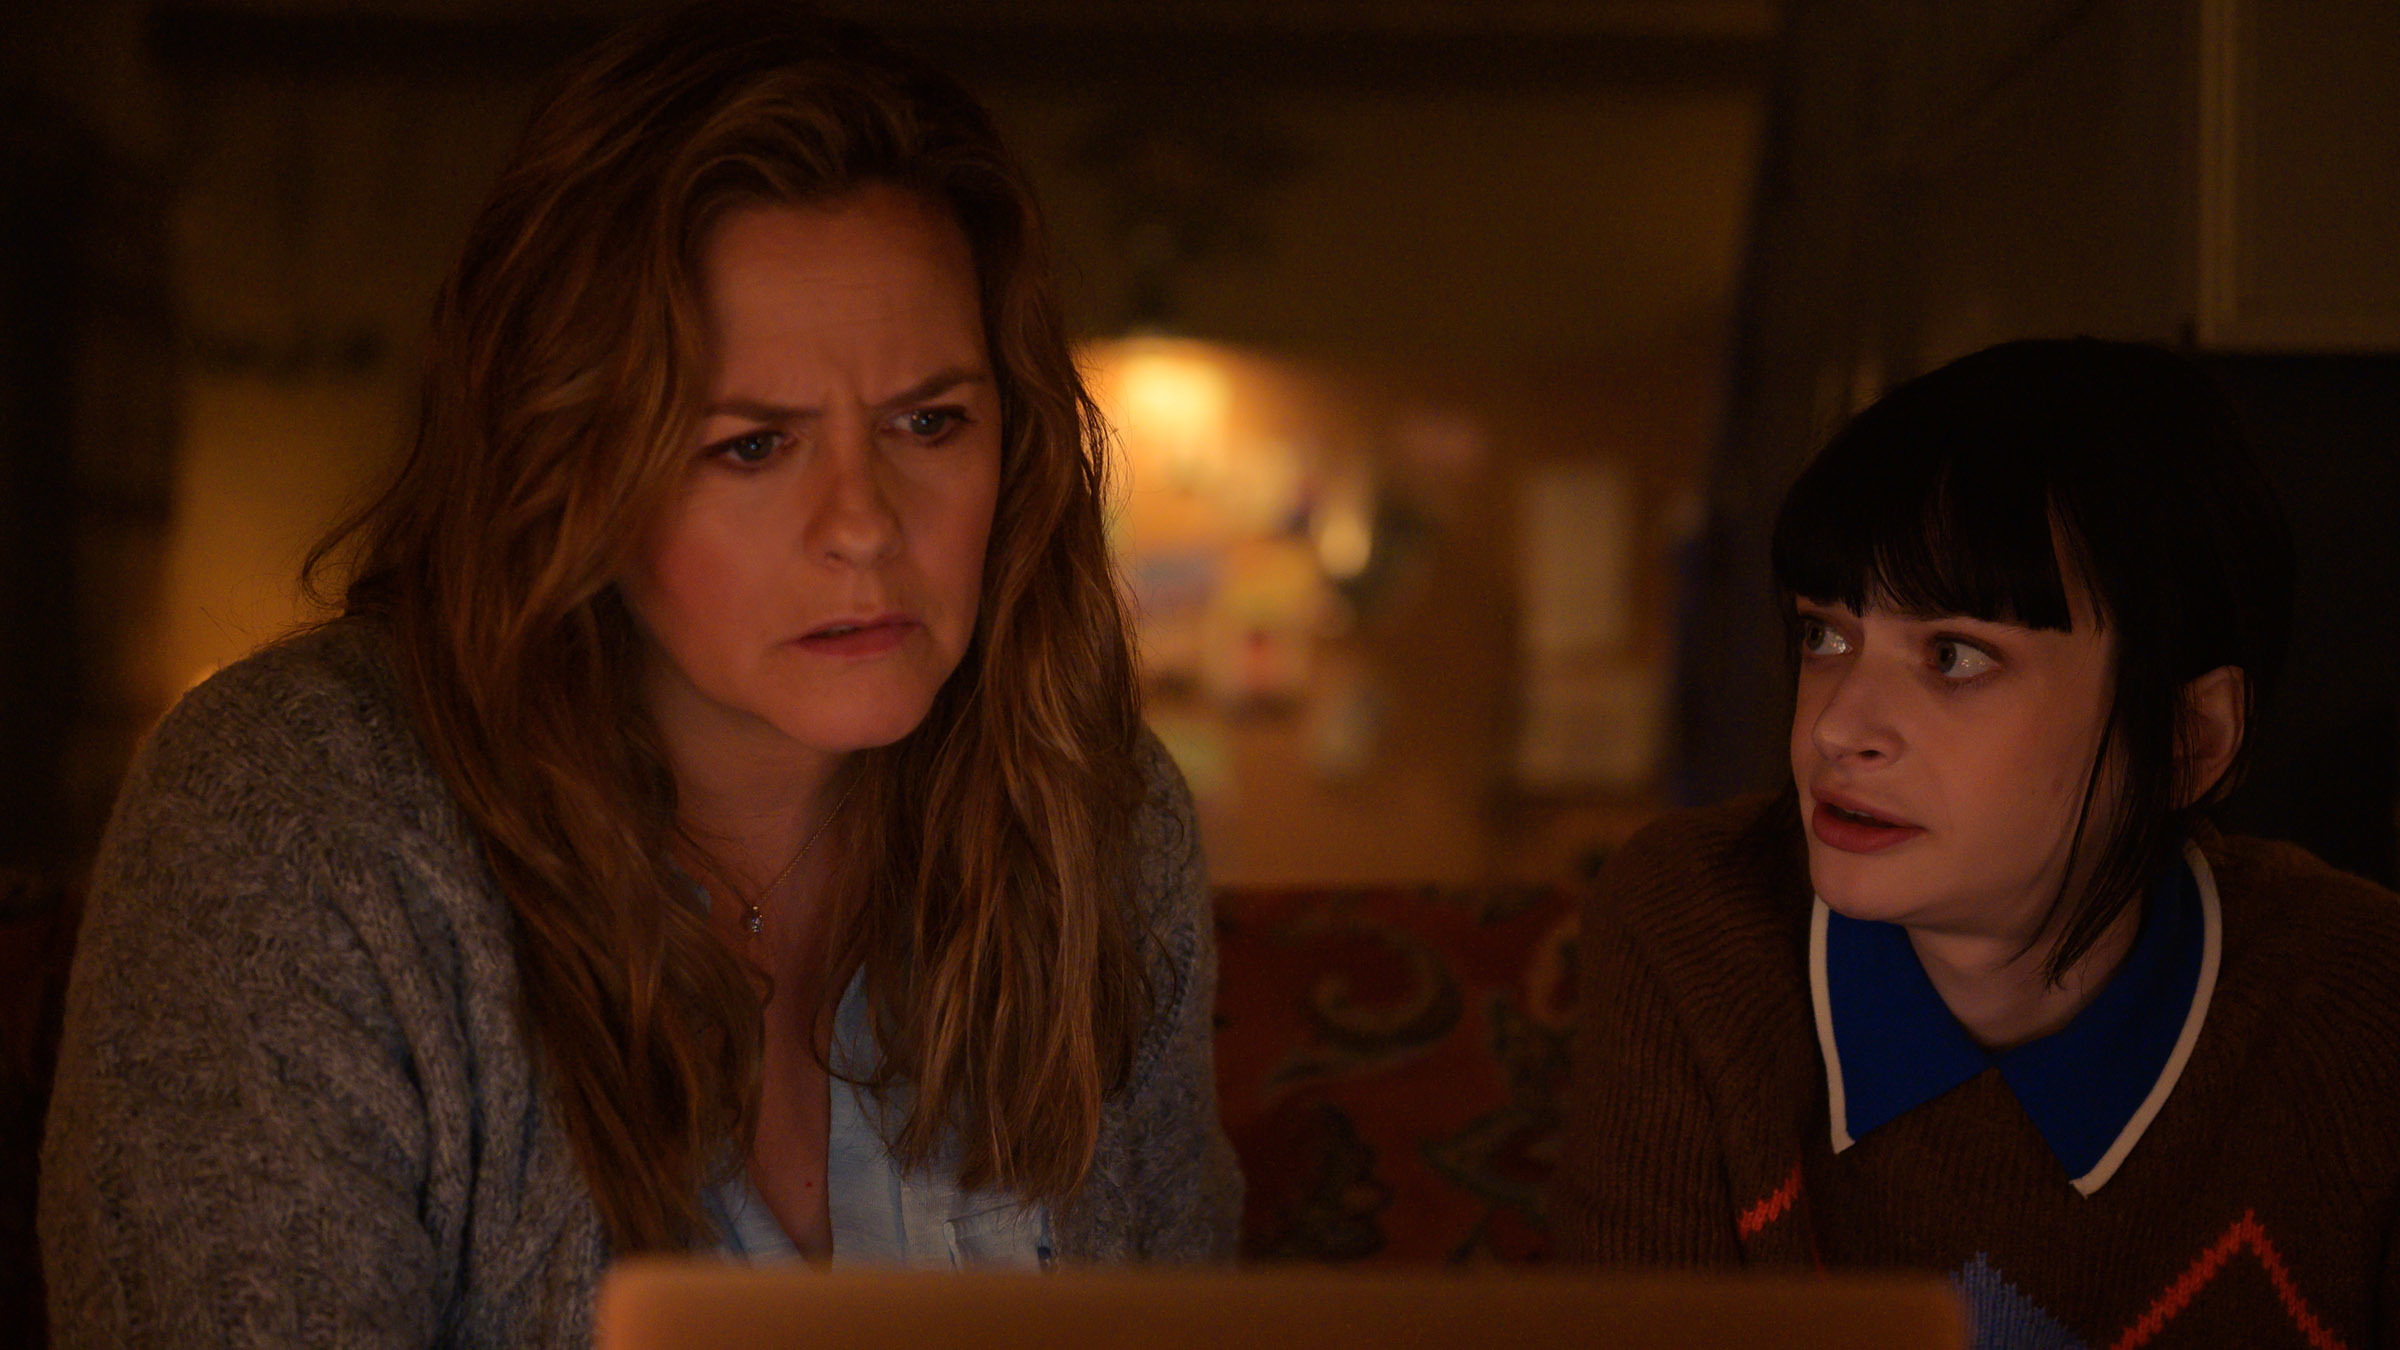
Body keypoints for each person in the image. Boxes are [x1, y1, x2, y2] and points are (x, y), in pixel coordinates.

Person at [40, 6, 1241, 1344]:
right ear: (572, 464)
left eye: (929, 420)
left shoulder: (1098, 816)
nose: (864, 524)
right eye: (751, 444)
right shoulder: (296, 825)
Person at [1551, 338, 2400, 1344]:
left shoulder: (2363, 1003)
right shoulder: (1695, 924)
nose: (1836, 727)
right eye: (1825, 635)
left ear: (2188, 740)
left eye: (1954, 656)